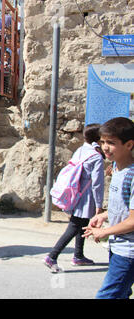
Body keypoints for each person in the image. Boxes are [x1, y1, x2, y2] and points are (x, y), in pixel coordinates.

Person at [83, 117, 134, 299]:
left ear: (129, 145)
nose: (105, 147)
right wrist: (104, 216)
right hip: (117, 246)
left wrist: (104, 232)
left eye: (111, 143)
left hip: (128, 251)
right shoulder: (116, 167)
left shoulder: (132, 175)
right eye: (103, 141)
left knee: (107, 296)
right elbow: (124, 206)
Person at [44, 124, 105, 273]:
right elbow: (97, 183)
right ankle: (52, 256)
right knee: (74, 226)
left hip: (76, 193)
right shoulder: (96, 156)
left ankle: (78, 255)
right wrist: (99, 204)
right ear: (98, 138)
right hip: (86, 196)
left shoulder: (80, 150)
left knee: (82, 224)